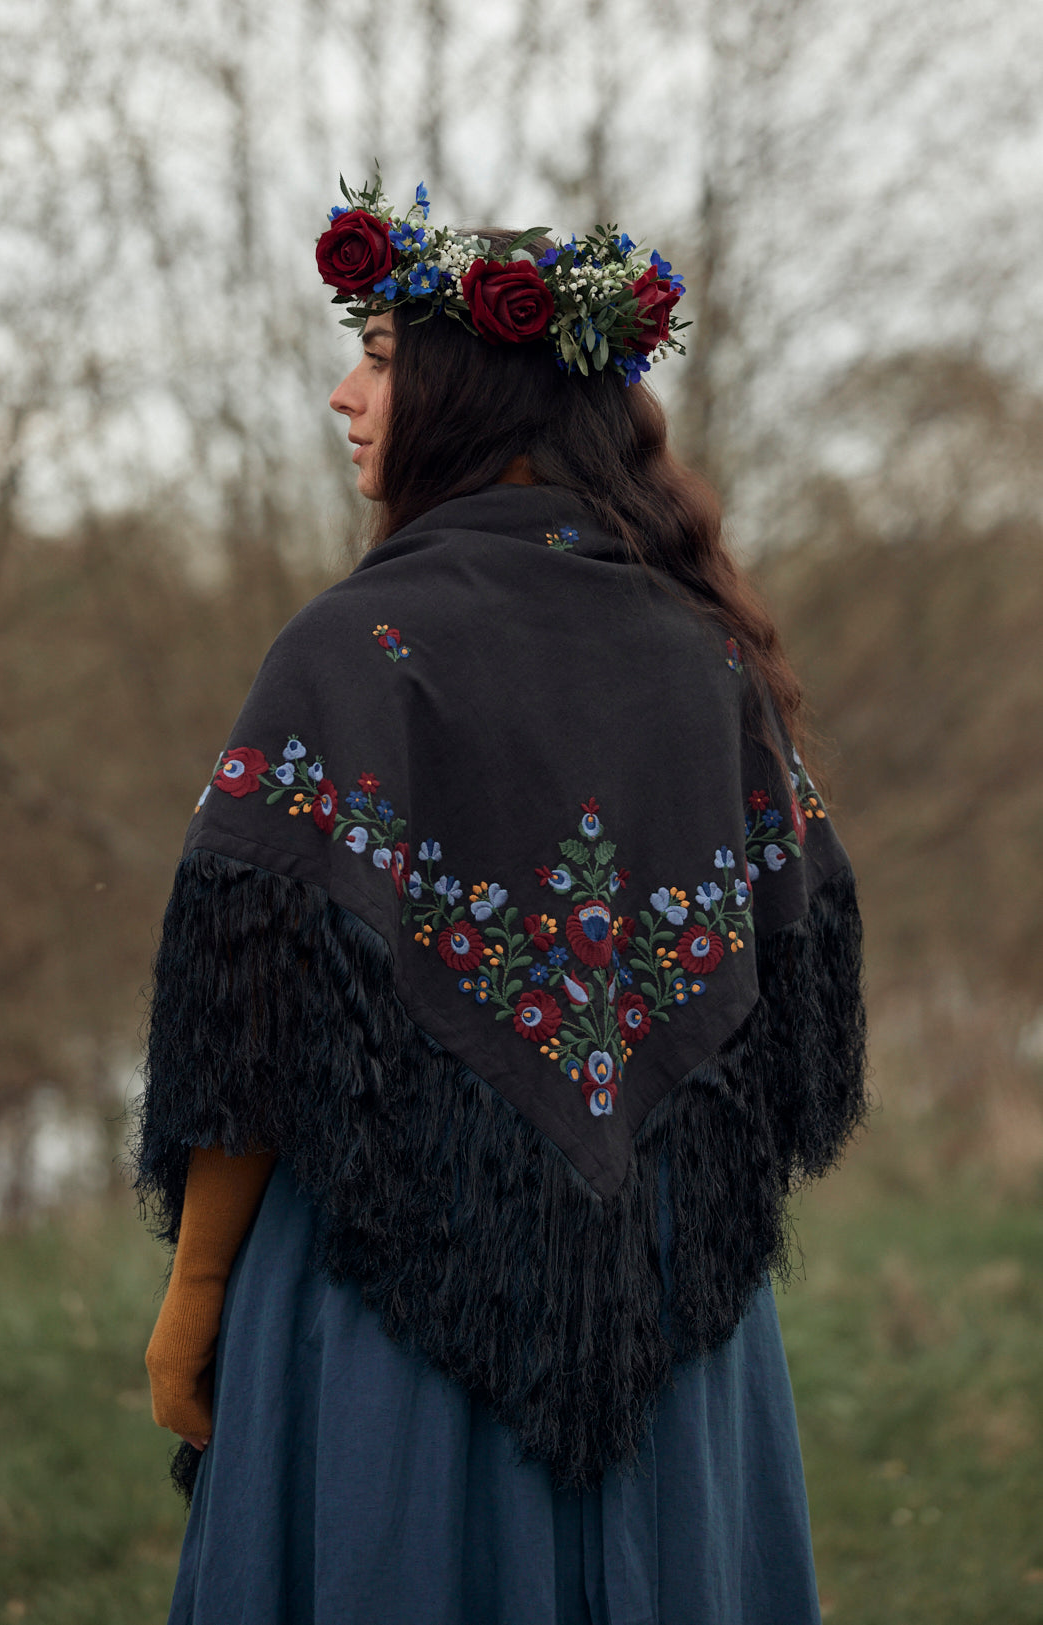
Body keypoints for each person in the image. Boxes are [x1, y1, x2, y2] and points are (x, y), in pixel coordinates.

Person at [130, 176, 867, 1625]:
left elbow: (252, 1028)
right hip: (671, 1318)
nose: (346, 397)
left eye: (383, 360)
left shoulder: (353, 648)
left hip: (392, 1303)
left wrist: (195, 1291)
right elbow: (796, 1012)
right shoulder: (706, 657)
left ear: (471, 387)